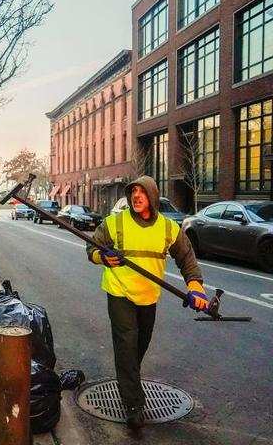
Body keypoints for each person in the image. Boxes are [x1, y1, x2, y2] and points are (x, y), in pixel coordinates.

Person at [86, 176, 209, 430]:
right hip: (119, 292)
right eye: (133, 192)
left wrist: (195, 288)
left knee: (138, 346)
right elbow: (91, 248)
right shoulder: (115, 222)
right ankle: (134, 406)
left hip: (148, 296)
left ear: (152, 196)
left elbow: (187, 259)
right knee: (126, 344)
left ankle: (128, 376)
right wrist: (103, 257)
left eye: (142, 192)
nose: (136, 196)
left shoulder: (167, 228)